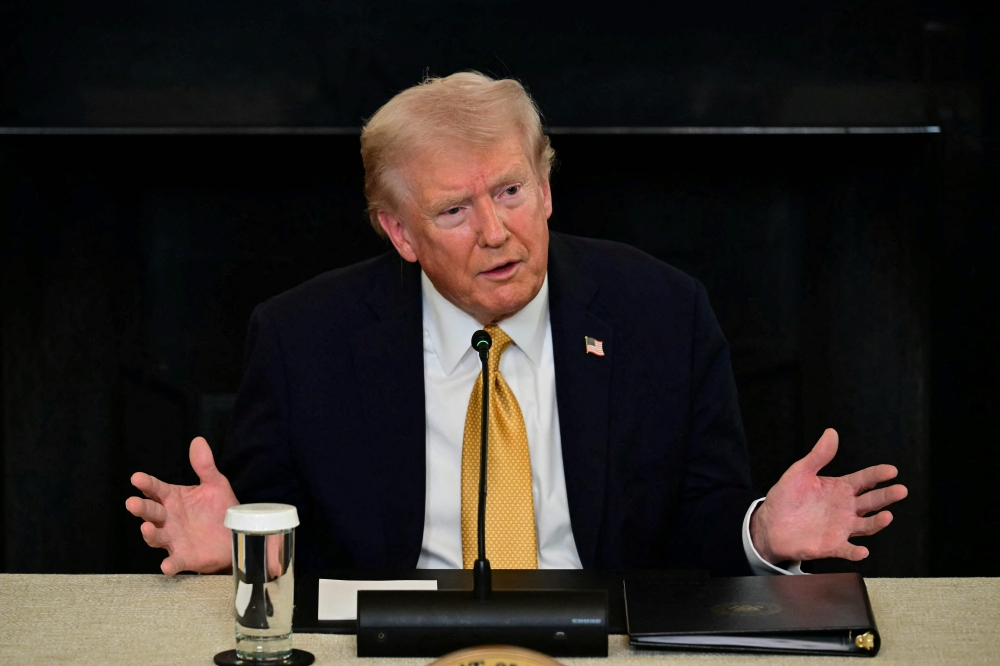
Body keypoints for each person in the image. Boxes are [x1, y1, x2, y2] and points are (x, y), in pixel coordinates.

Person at [125, 72, 907, 577]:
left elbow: (696, 526)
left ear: (547, 188)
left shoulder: (660, 313)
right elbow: (284, 540)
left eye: (510, 191)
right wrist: (234, 549)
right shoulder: (304, 339)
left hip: (602, 645)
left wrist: (762, 532)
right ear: (399, 234)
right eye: (455, 211)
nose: (496, 232)